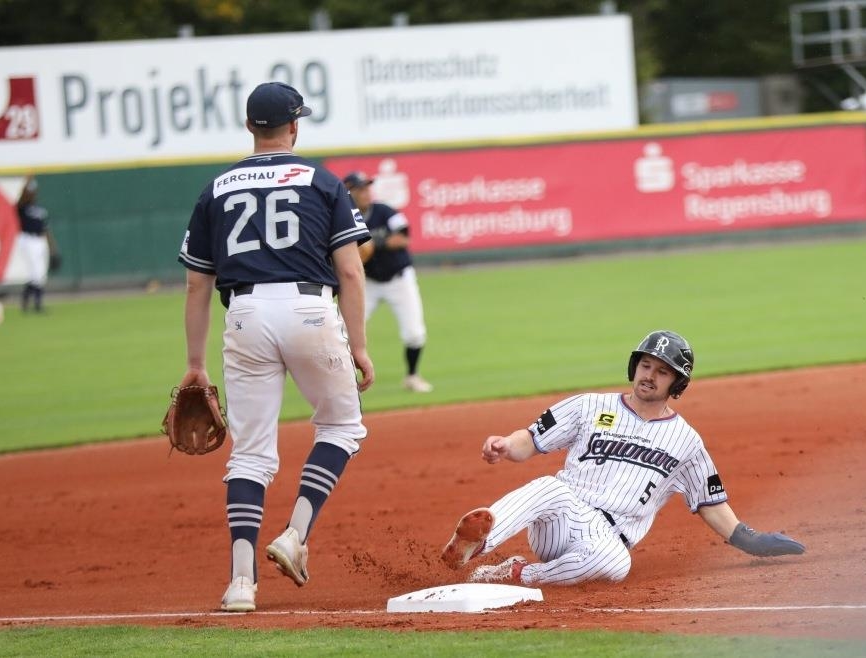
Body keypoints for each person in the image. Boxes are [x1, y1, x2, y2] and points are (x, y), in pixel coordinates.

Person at [176, 81, 374, 613]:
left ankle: (241, 584)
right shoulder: (322, 181)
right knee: (341, 426)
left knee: (251, 453)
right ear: (294, 126)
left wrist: (195, 364)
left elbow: (198, 284)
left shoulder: (215, 189)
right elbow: (351, 272)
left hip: (243, 315)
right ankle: (295, 535)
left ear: (248, 128)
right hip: (309, 309)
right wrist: (358, 345)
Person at [441, 329, 805, 586]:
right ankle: (477, 543)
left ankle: (517, 573)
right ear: (635, 368)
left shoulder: (686, 441)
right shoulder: (589, 405)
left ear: (676, 384)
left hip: (607, 540)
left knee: (617, 564)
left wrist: (751, 541)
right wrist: (506, 444)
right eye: (646, 366)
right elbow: (531, 441)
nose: (650, 375)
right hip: (561, 517)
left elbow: (710, 502)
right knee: (549, 488)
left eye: (662, 371)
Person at [343, 171, 433, 393]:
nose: (365, 192)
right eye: (359, 189)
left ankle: (412, 376)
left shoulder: (384, 211)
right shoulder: (343, 217)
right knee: (344, 332)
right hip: (369, 283)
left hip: (398, 279)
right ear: (349, 192)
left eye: (367, 188)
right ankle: (344, 381)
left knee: (414, 333)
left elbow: (403, 238)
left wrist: (373, 242)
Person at [16, 176, 59, 313]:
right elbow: (21, 199)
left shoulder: (40, 210)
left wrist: (53, 249)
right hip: (28, 240)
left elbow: (46, 231)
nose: (33, 193)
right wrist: (27, 183)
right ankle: (37, 305)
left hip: (40, 241)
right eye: (31, 191)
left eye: (34, 191)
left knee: (39, 275)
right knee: (35, 273)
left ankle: (26, 299)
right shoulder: (23, 207)